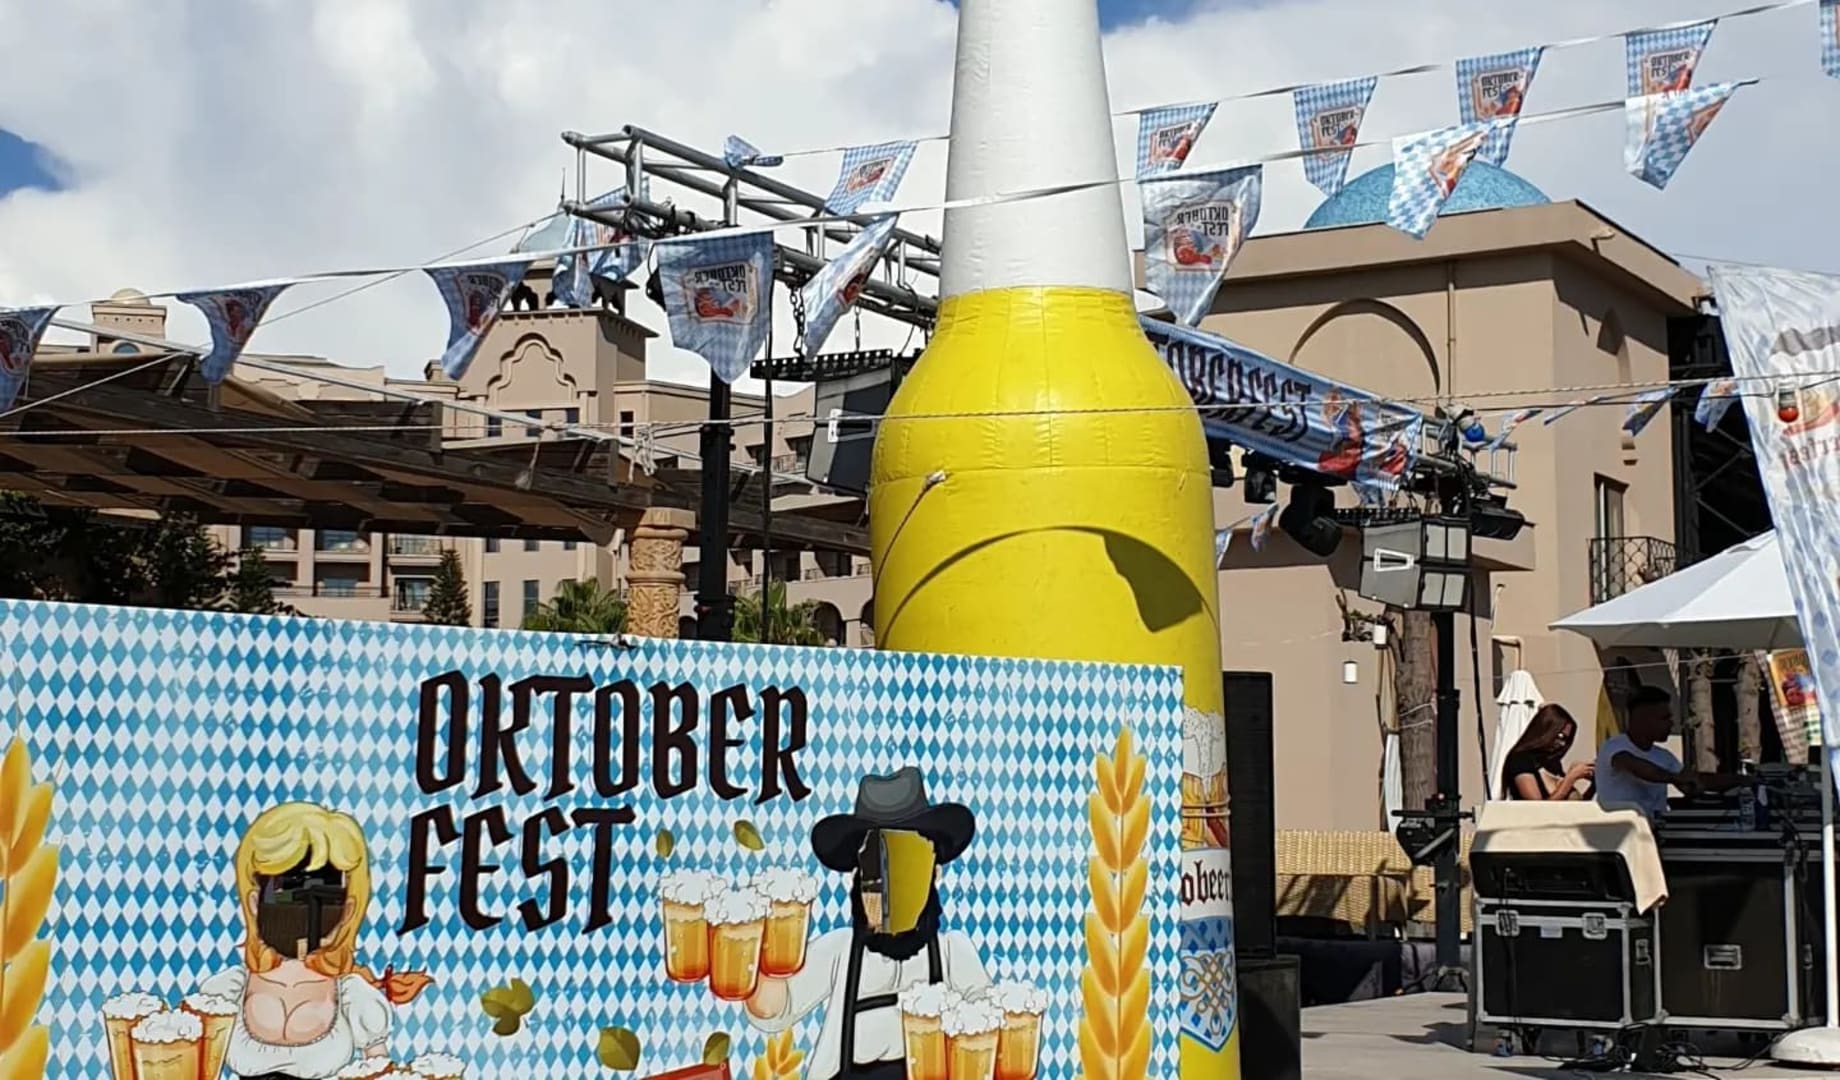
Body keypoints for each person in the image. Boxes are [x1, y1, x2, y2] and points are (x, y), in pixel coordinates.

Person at [746, 768, 992, 1080]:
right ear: (857, 879)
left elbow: (989, 1024)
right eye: (876, 877)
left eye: (907, 871)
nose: (890, 895)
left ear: (934, 873)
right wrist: (750, 948)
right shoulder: (839, 951)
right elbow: (773, 1009)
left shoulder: (951, 953)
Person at [198, 802, 430, 1080]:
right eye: (284, 892)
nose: (303, 912)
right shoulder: (226, 992)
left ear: (347, 910)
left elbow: (380, 1073)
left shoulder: (353, 997)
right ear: (254, 902)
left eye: (323, 898)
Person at [1594, 686, 1751, 819]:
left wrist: (1742, 780)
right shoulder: (1614, 747)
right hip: (1617, 836)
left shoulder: (1664, 757)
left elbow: (1694, 780)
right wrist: (1675, 778)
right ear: (1643, 719)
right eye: (1665, 718)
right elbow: (1637, 767)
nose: (1671, 724)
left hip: (1654, 832)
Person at [1500, 704, 1594, 801]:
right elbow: (1536, 807)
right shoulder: (1521, 760)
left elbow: (1575, 806)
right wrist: (1570, 778)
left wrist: (1594, 785)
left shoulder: (1552, 764)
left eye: (1565, 739)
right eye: (1560, 736)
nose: (1561, 743)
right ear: (1546, 730)